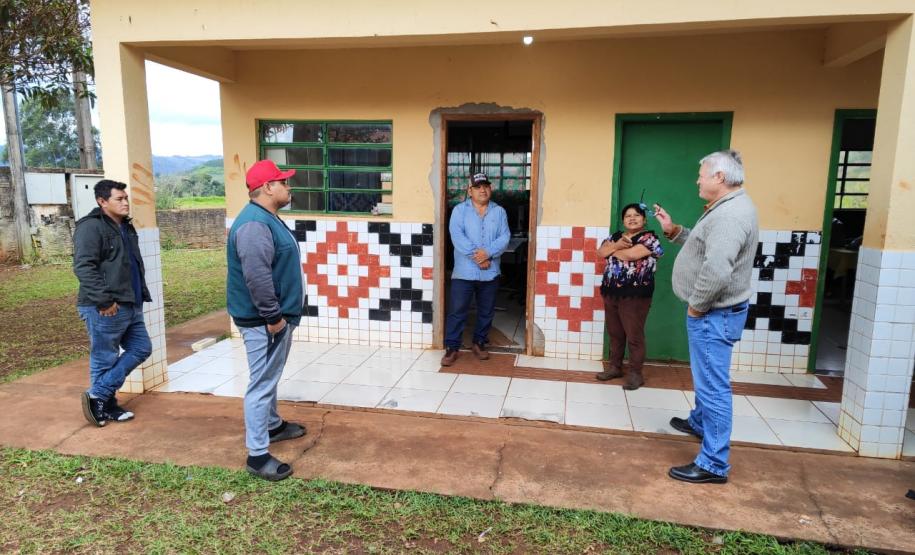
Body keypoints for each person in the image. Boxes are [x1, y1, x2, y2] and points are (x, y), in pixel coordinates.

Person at [653, 149, 758, 485]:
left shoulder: (729, 216)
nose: (697, 179)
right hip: (715, 313)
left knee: (713, 386)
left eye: (701, 174)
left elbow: (716, 269)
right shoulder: (729, 207)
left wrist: (697, 306)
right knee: (706, 377)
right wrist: (674, 231)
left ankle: (713, 463)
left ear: (719, 177)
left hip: (713, 314)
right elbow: (704, 247)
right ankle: (700, 422)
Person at [227, 159, 308, 481]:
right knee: (261, 383)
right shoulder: (254, 225)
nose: (289, 187)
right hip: (264, 320)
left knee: (268, 377)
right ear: (267, 188)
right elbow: (257, 276)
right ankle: (257, 456)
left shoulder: (266, 218)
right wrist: (273, 316)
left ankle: (272, 425)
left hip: (272, 317)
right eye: (283, 182)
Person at [73, 179, 153, 427]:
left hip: (130, 302)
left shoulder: (126, 227)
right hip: (105, 306)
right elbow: (83, 267)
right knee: (105, 357)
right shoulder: (90, 227)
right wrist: (104, 300)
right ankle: (105, 404)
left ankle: (99, 395)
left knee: (141, 348)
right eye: (119, 199)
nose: (125, 202)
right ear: (102, 201)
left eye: (126, 198)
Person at [441, 172, 510, 366]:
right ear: (469, 190)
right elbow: (457, 236)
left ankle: (479, 343)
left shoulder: (499, 212)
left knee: (486, 311)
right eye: (478, 187)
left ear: (491, 188)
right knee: (457, 310)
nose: (483, 190)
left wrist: (487, 253)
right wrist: (478, 256)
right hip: (464, 272)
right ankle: (452, 347)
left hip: (490, 272)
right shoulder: (459, 211)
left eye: (486, 186)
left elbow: (504, 237)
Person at [594, 203, 663, 390]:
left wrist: (613, 251)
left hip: (636, 295)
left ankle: (635, 374)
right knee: (615, 333)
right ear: (623, 220)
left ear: (644, 219)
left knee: (634, 335)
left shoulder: (650, 238)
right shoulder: (615, 236)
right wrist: (616, 246)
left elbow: (631, 256)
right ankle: (615, 367)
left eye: (636, 215)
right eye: (628, 216)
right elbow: (601, 252)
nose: (632, 218)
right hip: (611, 292)